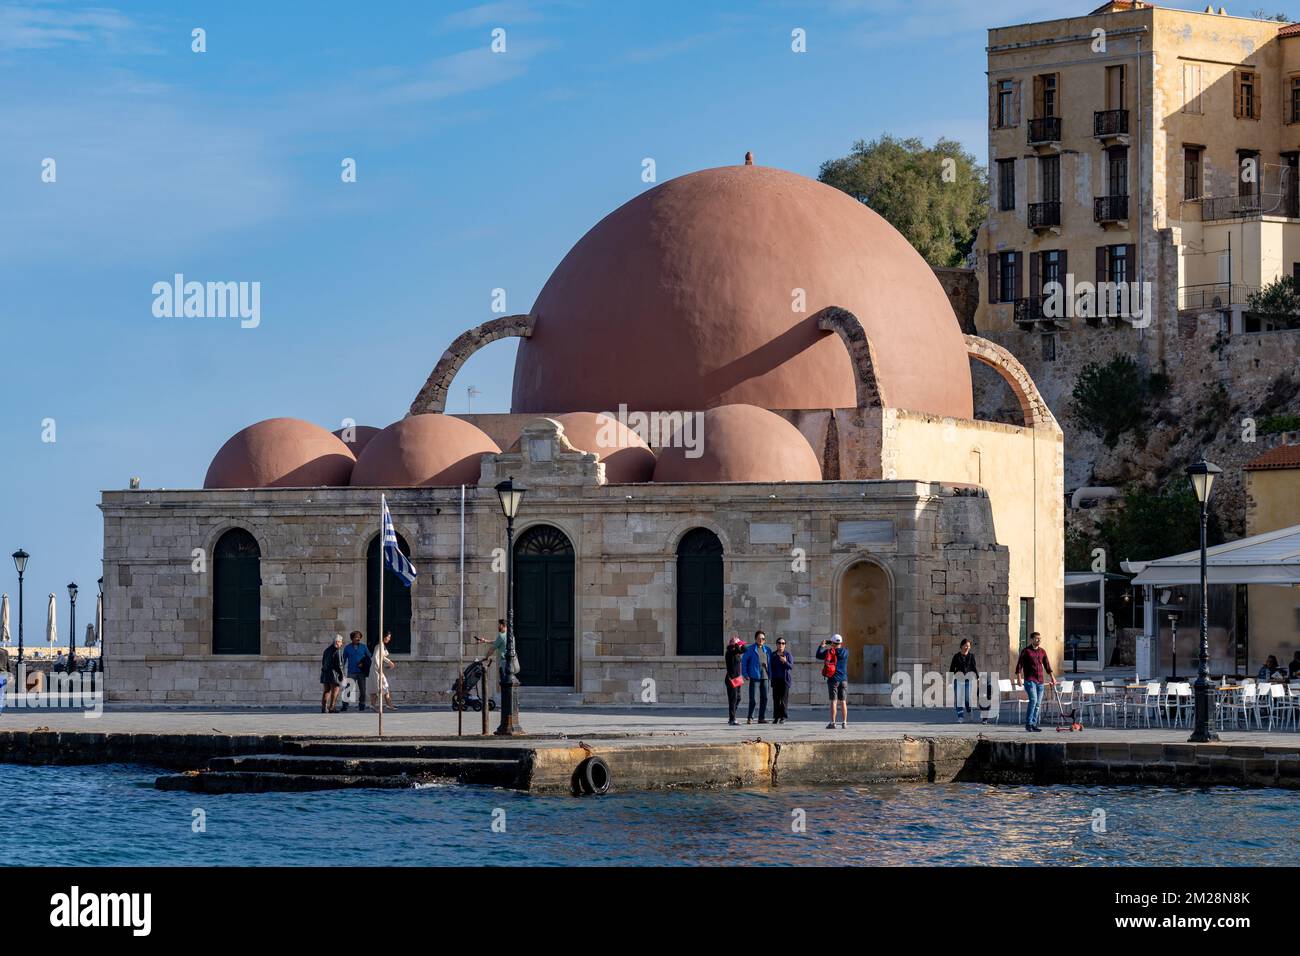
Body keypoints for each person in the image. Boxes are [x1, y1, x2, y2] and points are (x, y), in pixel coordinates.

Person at [1014, 631, 1056, 732]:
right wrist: (1019, 677)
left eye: (1040, 639)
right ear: (1032, 639)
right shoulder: (1026, 651)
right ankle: (1028, 723)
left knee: (1038, 704)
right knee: (1033, 701)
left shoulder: (1042, 651)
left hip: (1040, 681)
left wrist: (1052, 677)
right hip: (1030, 680)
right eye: (1037, 638)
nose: (1039, 640)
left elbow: (1047, 665)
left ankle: (1033, 723)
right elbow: (1019, 665)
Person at [816, 634, 849, 729]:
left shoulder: (829, 651)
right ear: (841, 642)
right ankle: (844, 723)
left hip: (833, 679)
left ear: (832, 643)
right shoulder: (846, 651)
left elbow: (818, 655)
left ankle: (833, 723)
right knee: (843, 701)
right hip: (843, 679)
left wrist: (822, 646)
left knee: (834, 701)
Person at [741, 630, 772, 724]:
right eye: (759, 638)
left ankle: (761, 718)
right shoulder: (750, 649)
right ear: (755, 639)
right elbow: (744, 662)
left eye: (763, 638)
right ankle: (750, 717)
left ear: (765, 640)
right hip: (754, 676)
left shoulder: (767, 650)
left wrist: (771, 673)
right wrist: (745, 674)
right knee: (753, 698)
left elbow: (770, 663)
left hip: (765, 676)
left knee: (765, 697)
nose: (761, 640)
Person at [948, 638, 982, 723]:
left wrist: (977, 678)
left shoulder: (971, 656)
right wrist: (949, 681)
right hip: (958, 679)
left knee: (967, 699)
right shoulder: (956, 656)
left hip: (968, 680)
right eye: (966, 645)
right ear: (962, 646)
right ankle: (960, 717)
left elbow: (974, 667)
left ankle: (969, 711)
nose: (967, 647)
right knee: (959, 699)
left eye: (969, 646)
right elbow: (952, 668)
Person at [340, 631, 371, 712]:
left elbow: (369, 658)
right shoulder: (347, 648)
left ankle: (362, 705)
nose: (358, 639)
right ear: (352, 638)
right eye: (356, 637)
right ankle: (345, 705)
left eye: (359, 637)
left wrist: (363, 664)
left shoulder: (364, 647)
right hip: (351, 672)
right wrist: (341, 670)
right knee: (348, 689)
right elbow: (343, 659)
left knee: (363, 690)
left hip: (361, 672)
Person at [370, 632, 397, 710]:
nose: (389, 638)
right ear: (384, 637)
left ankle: (388, 704)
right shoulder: (379, 646)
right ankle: (376, 705)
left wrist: (389, 662)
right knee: (380, 687)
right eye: (388, 637)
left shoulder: (381, 645)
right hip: (376, 670)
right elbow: (375, 657)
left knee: (383, 686)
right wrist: (379, 669)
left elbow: (381, 657)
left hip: (377, 669)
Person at [770, 637, 793, 724]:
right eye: (779, 643)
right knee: (776, 699)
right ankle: (776, 717)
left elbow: (790, 666)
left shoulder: (788, 655)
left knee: (783, 699)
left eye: (783, 643)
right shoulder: (773, 655)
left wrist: (785, 661)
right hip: (776, 680)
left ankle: (783, 716)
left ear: (785, 645)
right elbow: (771, 667)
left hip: (785, 680)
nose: (781, 645)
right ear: (776, 644)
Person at [320, 634, 345, 713]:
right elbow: (340, 665)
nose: (341, 644)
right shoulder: (338, 651)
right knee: (335, 691)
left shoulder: (326, 650)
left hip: (325, 673)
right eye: (341, 642)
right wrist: (342, 675)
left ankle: (324, 708)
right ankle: (332, 707)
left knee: (326, 690)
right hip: (334, 674)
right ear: (337, 642)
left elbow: (323, 662)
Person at [724, 636, 745, 725]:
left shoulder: (737, 653)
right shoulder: (730, 652)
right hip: (731, 679)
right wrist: (736, 644)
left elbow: (744, 649)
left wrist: (740, 643)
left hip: (738, 678)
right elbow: (739, 650)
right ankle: (732, 719)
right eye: (738, 645)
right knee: (733, 699)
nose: (739, 646)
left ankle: (732, 715)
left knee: (738, 698)